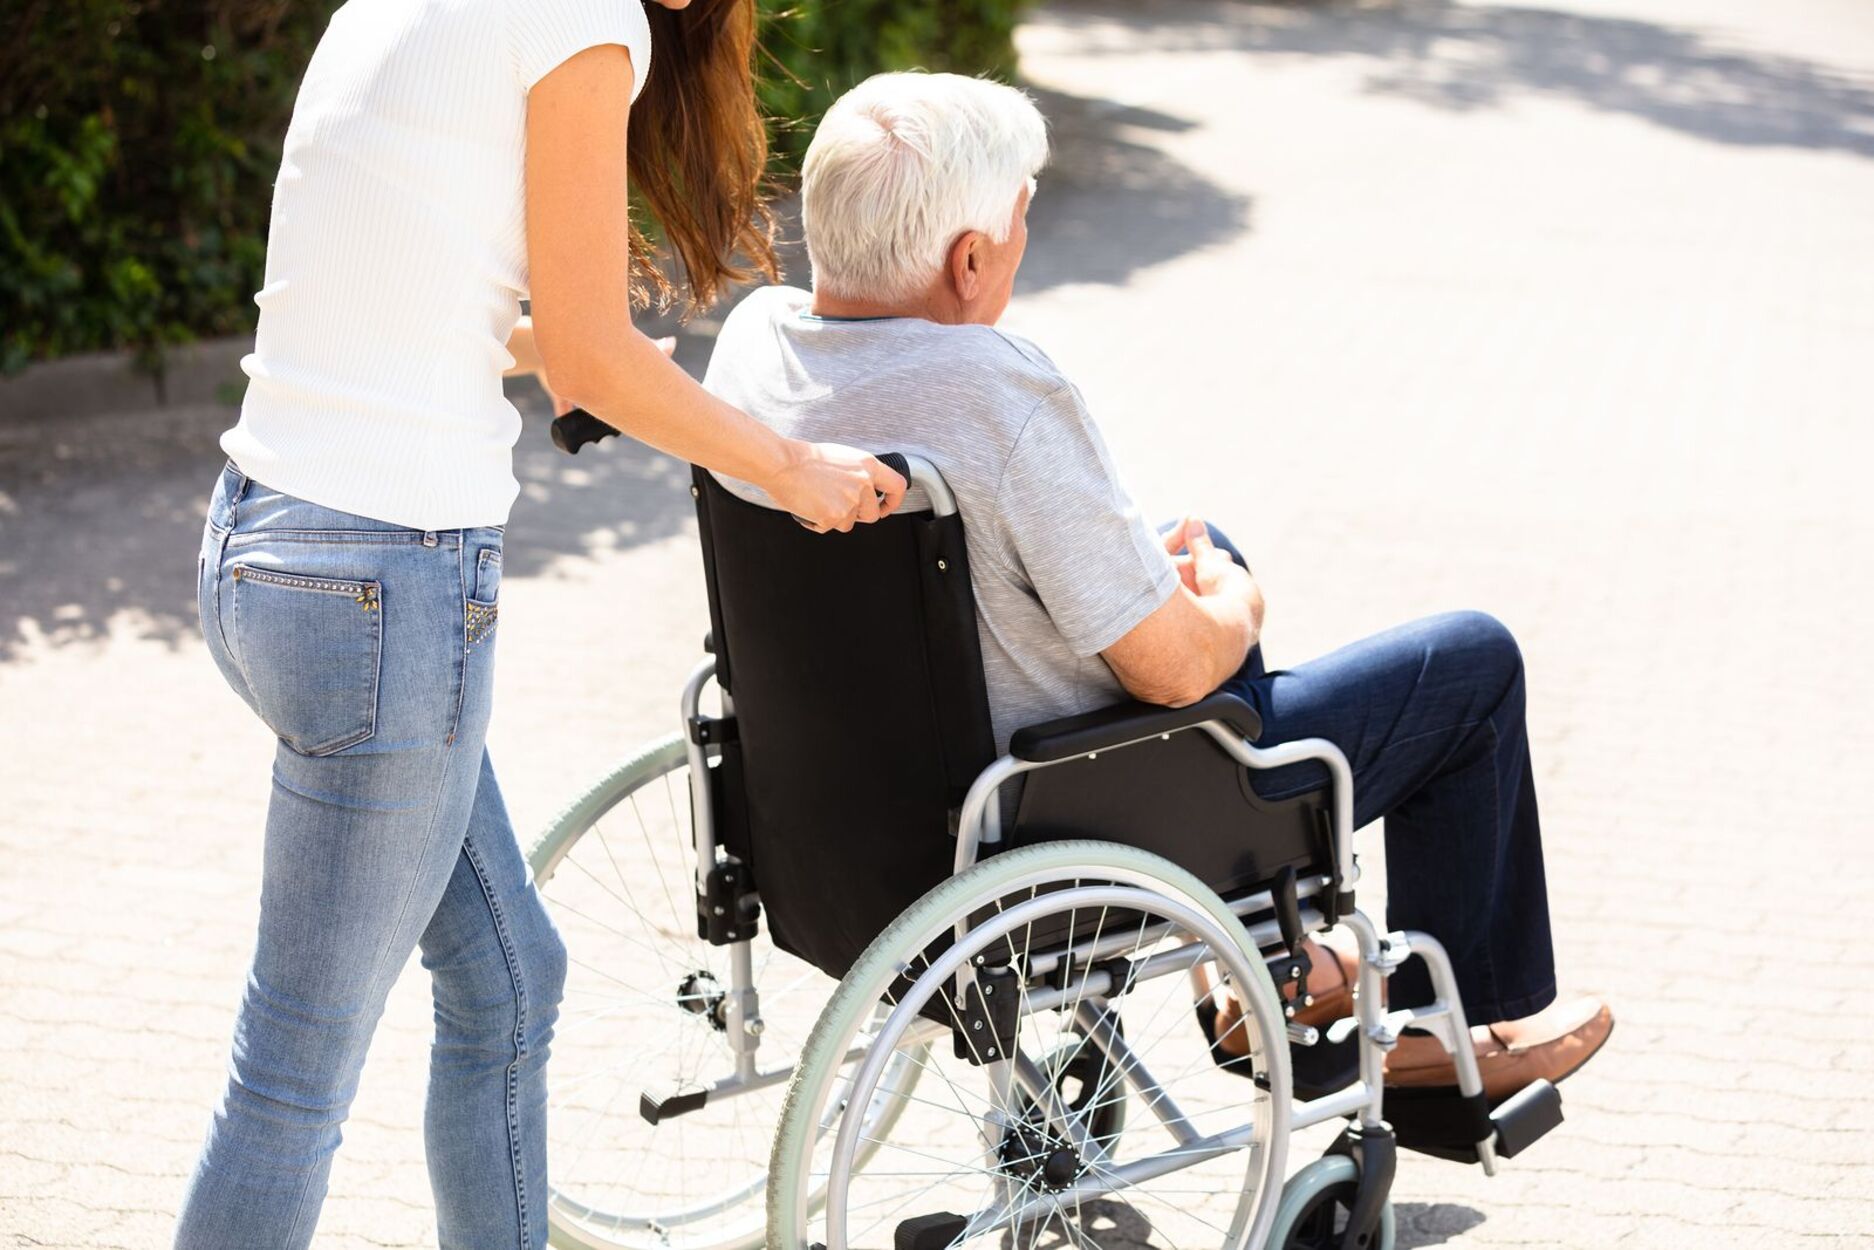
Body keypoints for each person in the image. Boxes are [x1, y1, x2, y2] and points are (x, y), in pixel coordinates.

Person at [703, 71, 1612, 1098]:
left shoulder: (756, 344)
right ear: (968, 260)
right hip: (1055, 819)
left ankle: (1279, 966)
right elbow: (1175, 670)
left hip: (842, 808)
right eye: (1016, 225)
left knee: (1192, 544)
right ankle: (1447, 1027)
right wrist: (1237, 605)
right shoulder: (999, 392)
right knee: (1470, 661)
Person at [178, 2, 906, 1246]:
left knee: (510, 981)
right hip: (383, 594)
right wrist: (788, 467)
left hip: (264, 546)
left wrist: (559, 348)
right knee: (292, 1081)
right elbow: (594, 353)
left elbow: (389, 291)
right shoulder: (582, 19)